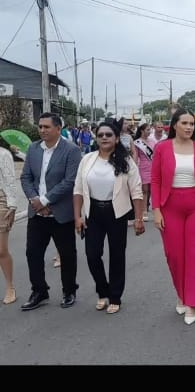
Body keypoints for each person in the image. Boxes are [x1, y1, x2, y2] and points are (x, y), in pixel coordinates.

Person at [151, 109, 195, 325]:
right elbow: (155, 180)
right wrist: (156, 210)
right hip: (170, 206)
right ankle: (181, 293)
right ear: (174, 125)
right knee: (174, 255)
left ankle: (192, 303)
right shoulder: (162, 148)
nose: (189, 127)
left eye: (192, 124)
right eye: (185, 123)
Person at [74, 121, 145, 313]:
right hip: (93, 212)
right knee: (92, 255)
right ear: (96, 138)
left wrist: (138, 218)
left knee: (117, 255)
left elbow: (136, 191)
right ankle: (102, 291)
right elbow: (78, 189)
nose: (104, 138)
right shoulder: (87, 159)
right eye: (100, 135)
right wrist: (77, 216)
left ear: (116, 138)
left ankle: (115, 296)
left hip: (117, 213)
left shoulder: (126, 161)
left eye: (108, 135)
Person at [20, 111, 82, 310]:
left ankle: (69, 291)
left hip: (60, 214)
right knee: (33, 253)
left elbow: (70, 181)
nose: (42, 130)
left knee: (67, 254)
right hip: (37, 213)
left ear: (58, 128)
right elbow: (26, 177)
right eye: (40, 127)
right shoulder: (33, 149)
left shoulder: (71, 150)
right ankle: (39, 291)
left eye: (46, 127)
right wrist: (34, 200)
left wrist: (45, 200)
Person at [0, 133, 19, 305]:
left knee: (1, 250)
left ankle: (10, 287)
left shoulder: (3, 154)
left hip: (1, 201)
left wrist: (12, 205)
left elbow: (10, 181)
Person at [134, 123, 154, 220]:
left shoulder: (152, 141)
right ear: (142, 130)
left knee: (153, 190)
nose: (149, 132)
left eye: (150, 130)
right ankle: (144, 210)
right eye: (147, 130)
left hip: (153, 167)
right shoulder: (137, 142)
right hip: (143, 168)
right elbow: (135, 156)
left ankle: (155, 209)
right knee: (145, 190)